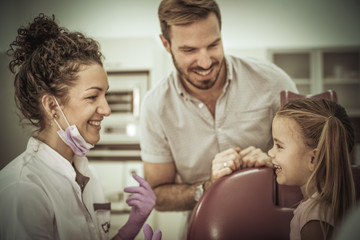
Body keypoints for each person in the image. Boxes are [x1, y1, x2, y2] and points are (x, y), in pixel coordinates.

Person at [139, 0, 297, 237]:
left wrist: (274, 165)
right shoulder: (155, 107)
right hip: (204, 230)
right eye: (189, 50)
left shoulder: (274, 83)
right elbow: (158, 195)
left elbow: (317, 165)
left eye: (213, 44)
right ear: (166, 44)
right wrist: (207, 187)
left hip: (278, 228)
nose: (205, 62)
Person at [0, 14, 161, 240]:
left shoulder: (87, 175)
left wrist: (131, 227)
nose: (106, 109)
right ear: (51, 105)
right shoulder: (23, 190)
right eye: (92, 97)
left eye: (105, 95)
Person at [268, 98, 356, 240]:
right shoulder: (319, 209)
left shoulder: (315, 218)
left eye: (279, 146)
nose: (270, 153)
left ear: (314, 159)